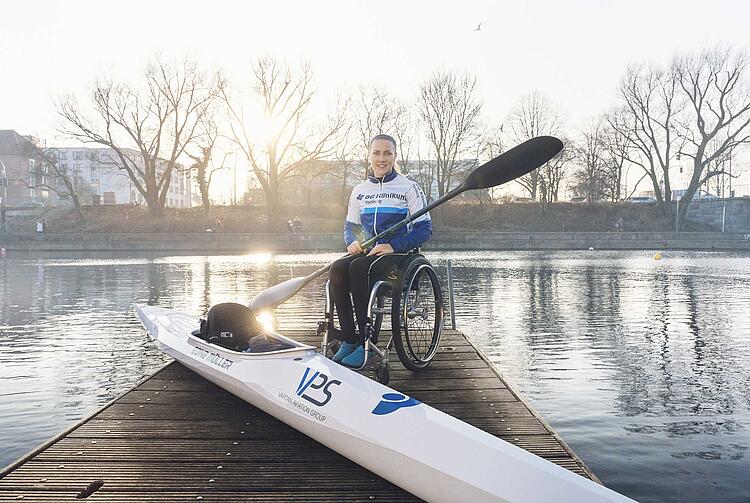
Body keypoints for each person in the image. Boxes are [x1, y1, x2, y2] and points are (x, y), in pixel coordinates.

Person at [329, 134, 432, 367]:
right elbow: (351, 226)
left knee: (357, 268)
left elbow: (424, 229)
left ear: (395, 156)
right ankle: (349, 339)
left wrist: (393, 245)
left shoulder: (409, 187)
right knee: (337, 268)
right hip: (367, 253)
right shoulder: (360, 190)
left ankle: (368, 343)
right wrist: (352, 242)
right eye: (377, 153)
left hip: (397, 257)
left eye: (387, 153)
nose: (382, 158)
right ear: (369, 156)